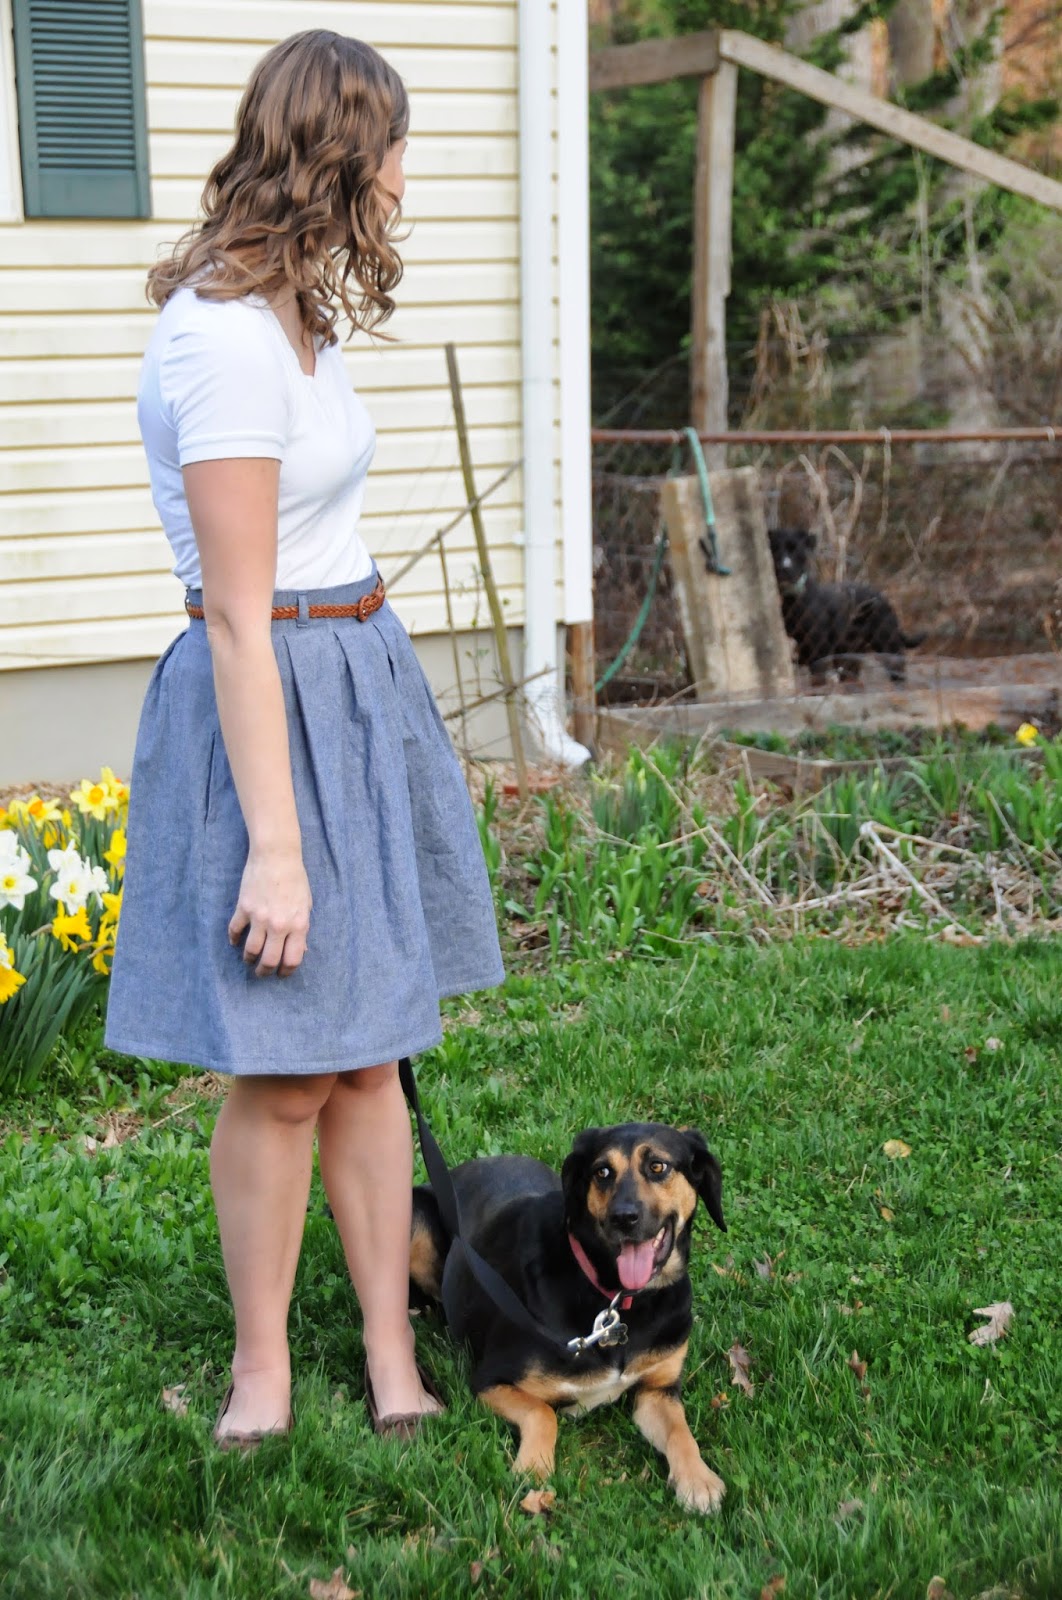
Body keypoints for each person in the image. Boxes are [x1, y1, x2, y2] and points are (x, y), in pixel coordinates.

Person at [104, 30, 504, 1448]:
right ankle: (262, 1368)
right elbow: (234, 615)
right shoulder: (219, 338)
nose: (402, 179)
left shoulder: (293, 313)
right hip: (270, 703)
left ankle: (392, 1351)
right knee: (285, 1072)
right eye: (391, 150)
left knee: (371, 1053)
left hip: (352, 680)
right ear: (336, 156)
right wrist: (275, 849)